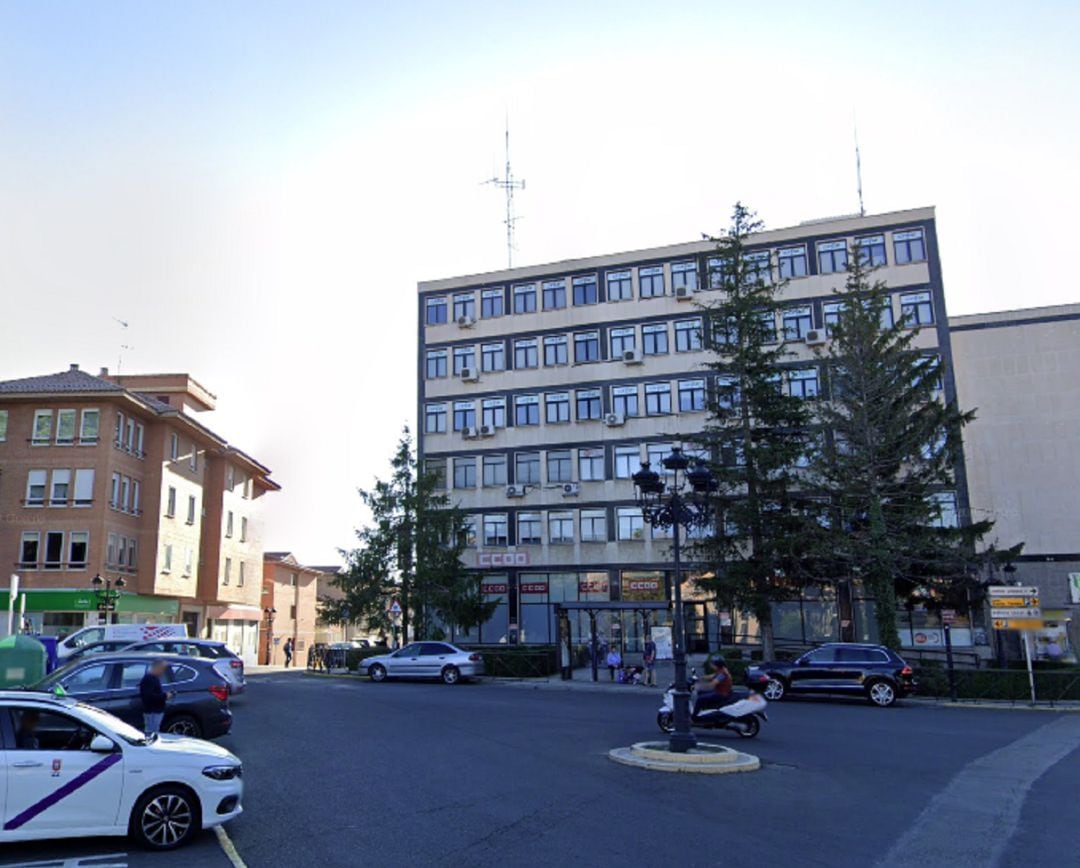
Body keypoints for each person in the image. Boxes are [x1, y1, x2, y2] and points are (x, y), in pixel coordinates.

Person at [139, 660, 175, 734]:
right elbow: (149, 697)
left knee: (153, 731)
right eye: (162, 669)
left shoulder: (153, 678)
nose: (163, 671)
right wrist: (165, 696)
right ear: (157, 668)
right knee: (151, 732)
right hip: (152, 712)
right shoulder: (149, 679)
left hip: (155, 711)